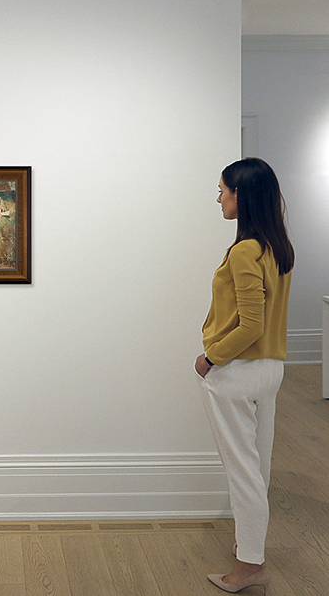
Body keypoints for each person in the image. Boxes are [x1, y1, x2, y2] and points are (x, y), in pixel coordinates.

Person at [195, 157, 294, 595]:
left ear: (242, 195)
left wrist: (211, 357)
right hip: (270, 370)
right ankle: (251, 554)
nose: (218, 197)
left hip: (237, 372)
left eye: (222, 190)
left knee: (243, 473)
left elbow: (250, 324)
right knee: (259, 468)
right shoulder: (277, 247)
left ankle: (249, 566)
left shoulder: (244, 250)